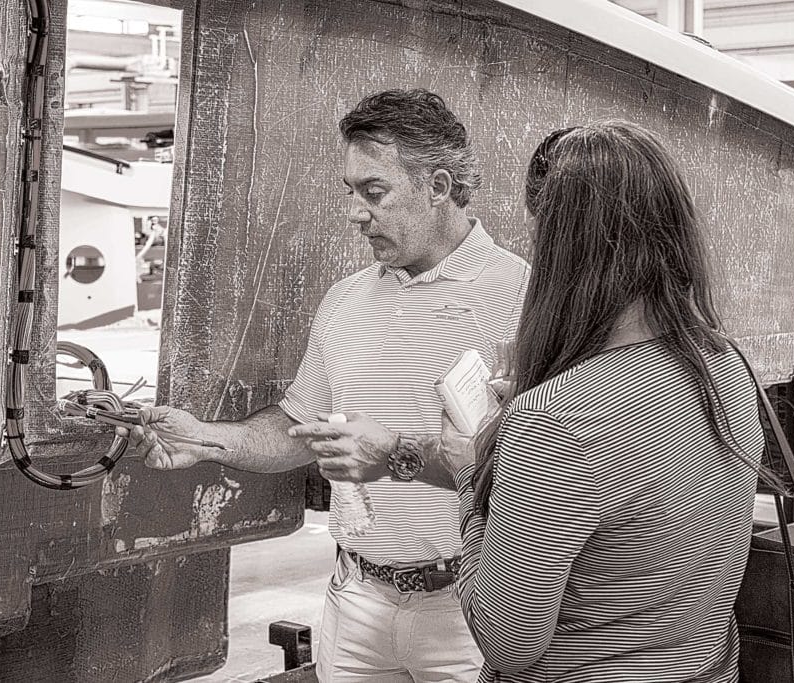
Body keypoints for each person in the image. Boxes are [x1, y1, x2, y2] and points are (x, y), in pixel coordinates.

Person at [319, 121, 775, 681]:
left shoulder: (554, 420)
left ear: (562, 246)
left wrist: (476, 473)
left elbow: (507, 642)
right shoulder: (720, 364)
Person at [125, 89, 530, 681]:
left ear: (439, 187)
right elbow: (298, 431)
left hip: (473, 610)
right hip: (356, 599)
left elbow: (543, 468)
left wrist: (394, 455)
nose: (356, 214)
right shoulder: (345, 303)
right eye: (352, 193)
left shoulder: (524, 299)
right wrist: (207, 440)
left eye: (375, 192)